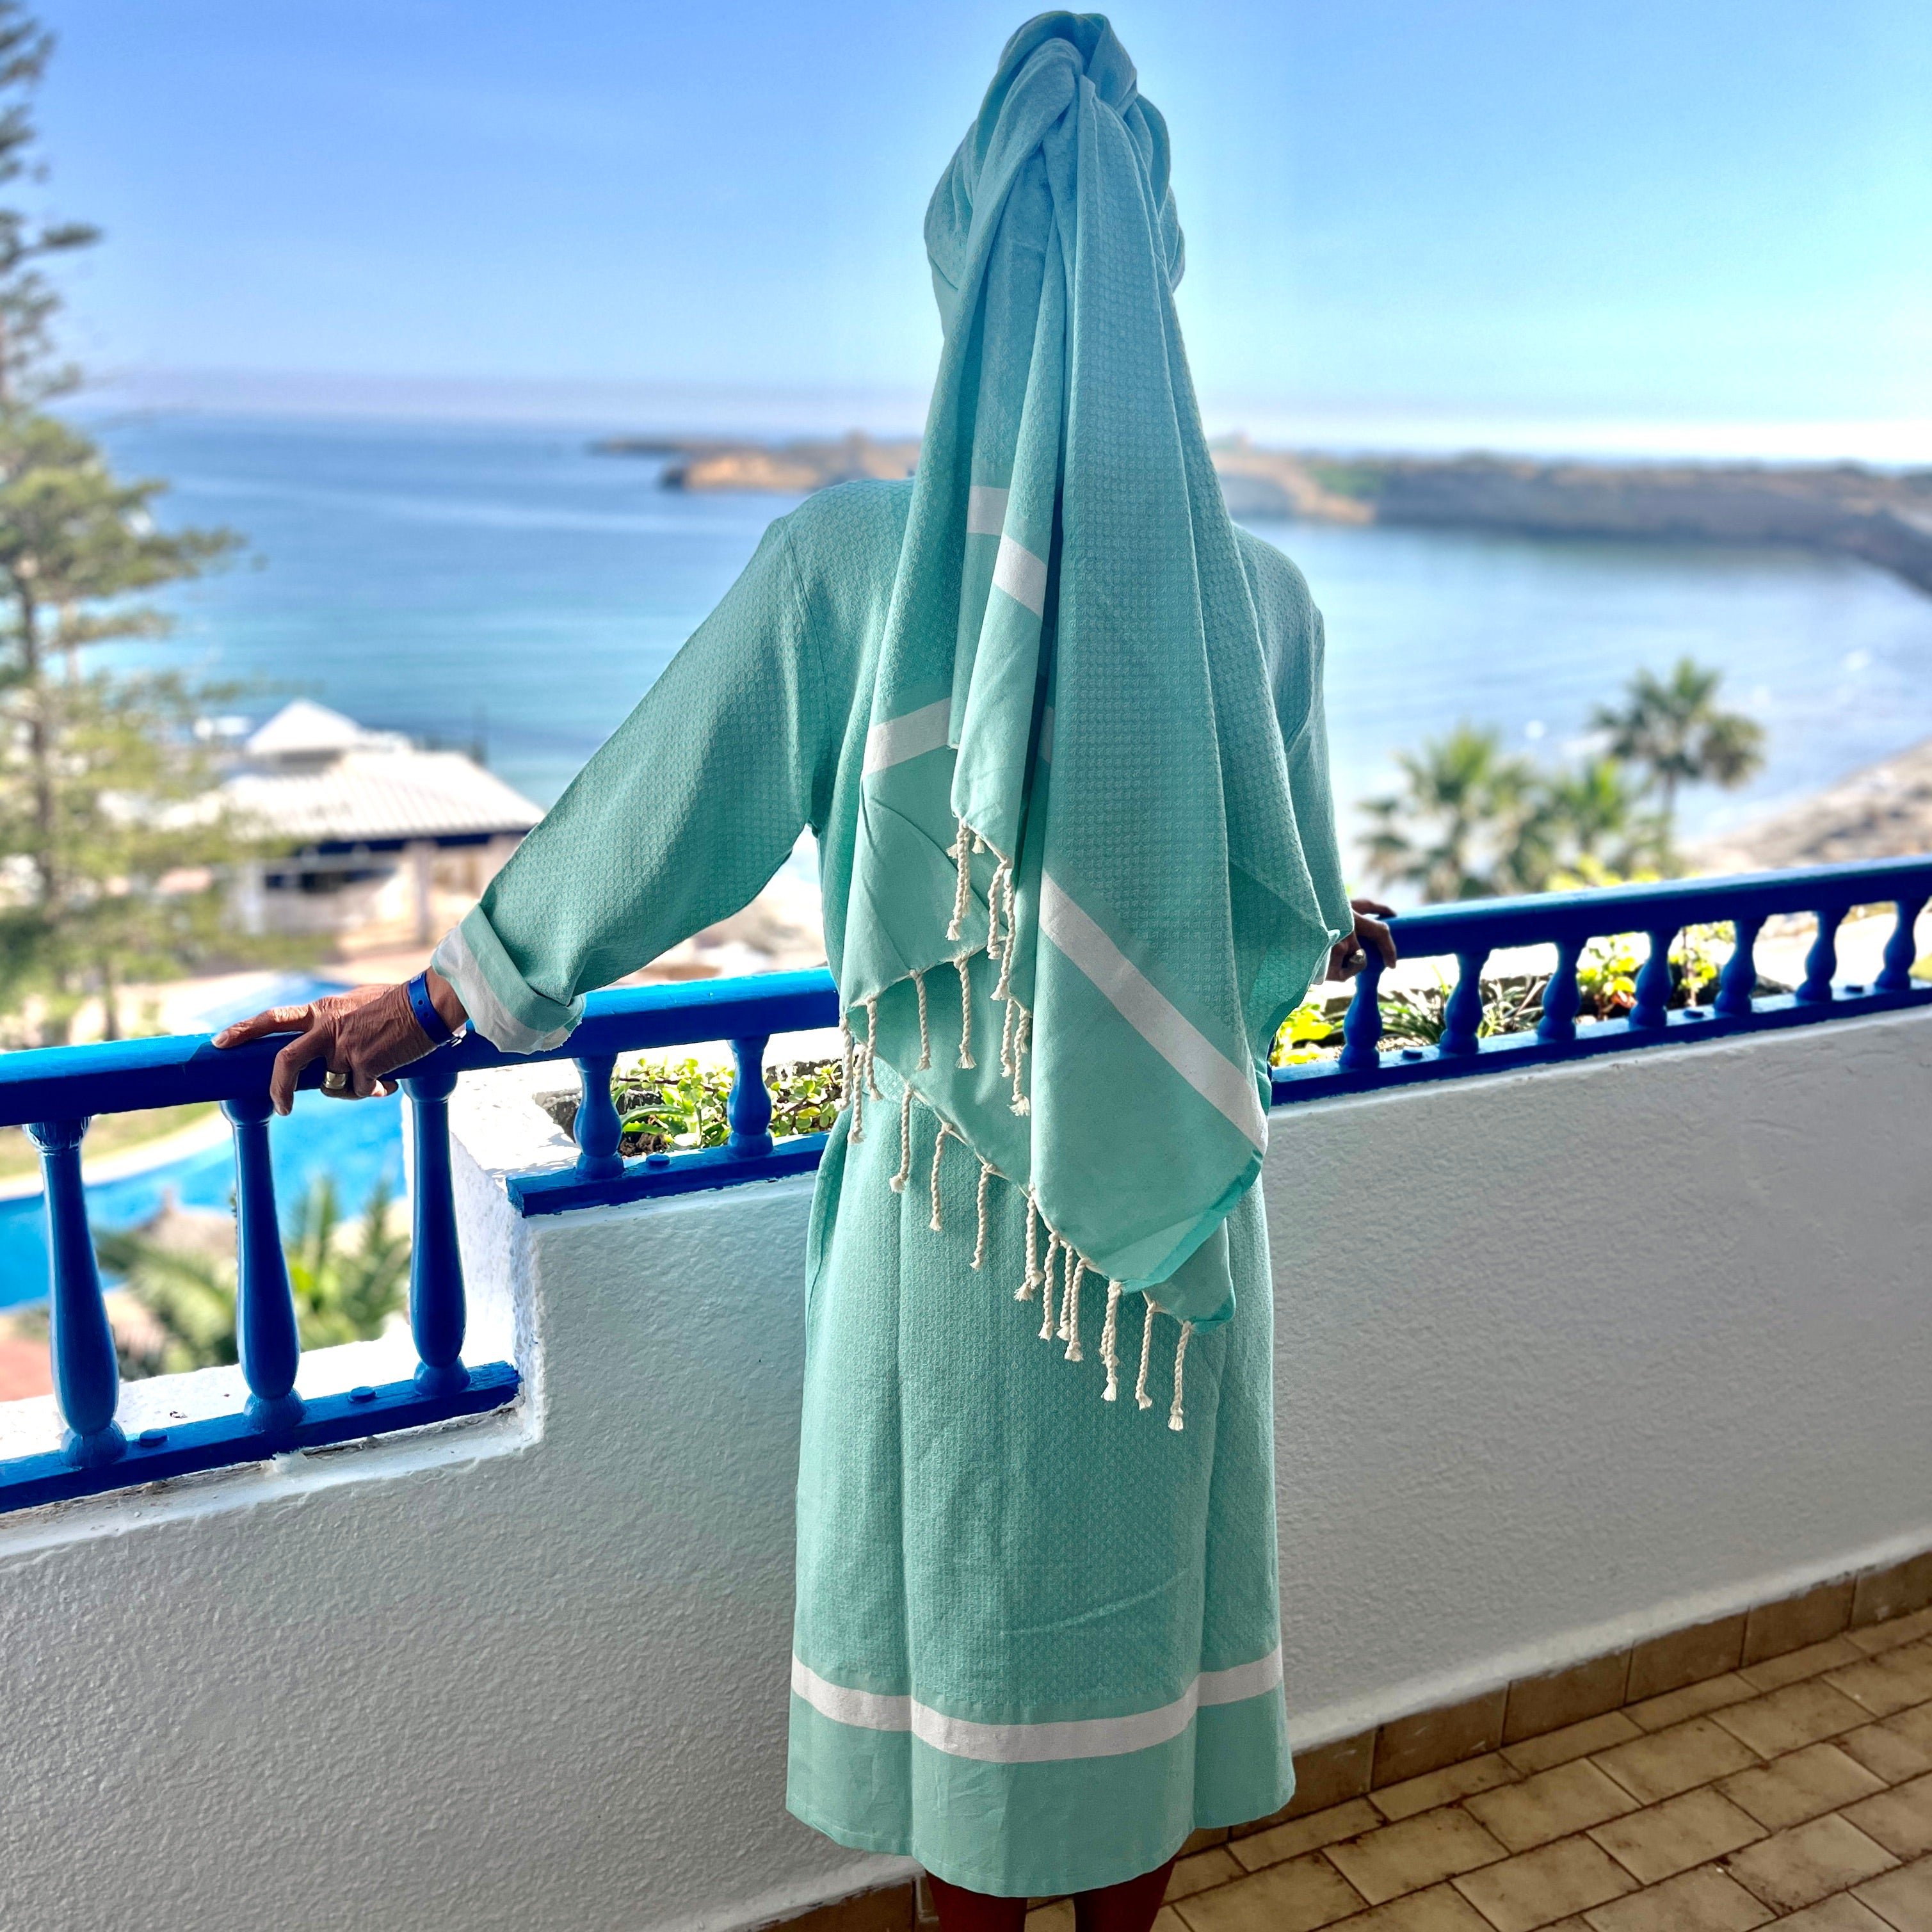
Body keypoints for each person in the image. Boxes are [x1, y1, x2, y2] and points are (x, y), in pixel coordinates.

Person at [216, 15, 1395, 1931]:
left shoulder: (854, 567)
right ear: (1153, 291)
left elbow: (657, 819)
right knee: (1136, 1634)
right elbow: (1284, 911)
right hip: (1176, 1211)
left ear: (963, 283)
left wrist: (431, 1005)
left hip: (955, 1224)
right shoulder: (1258, 599)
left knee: (974, 1637)